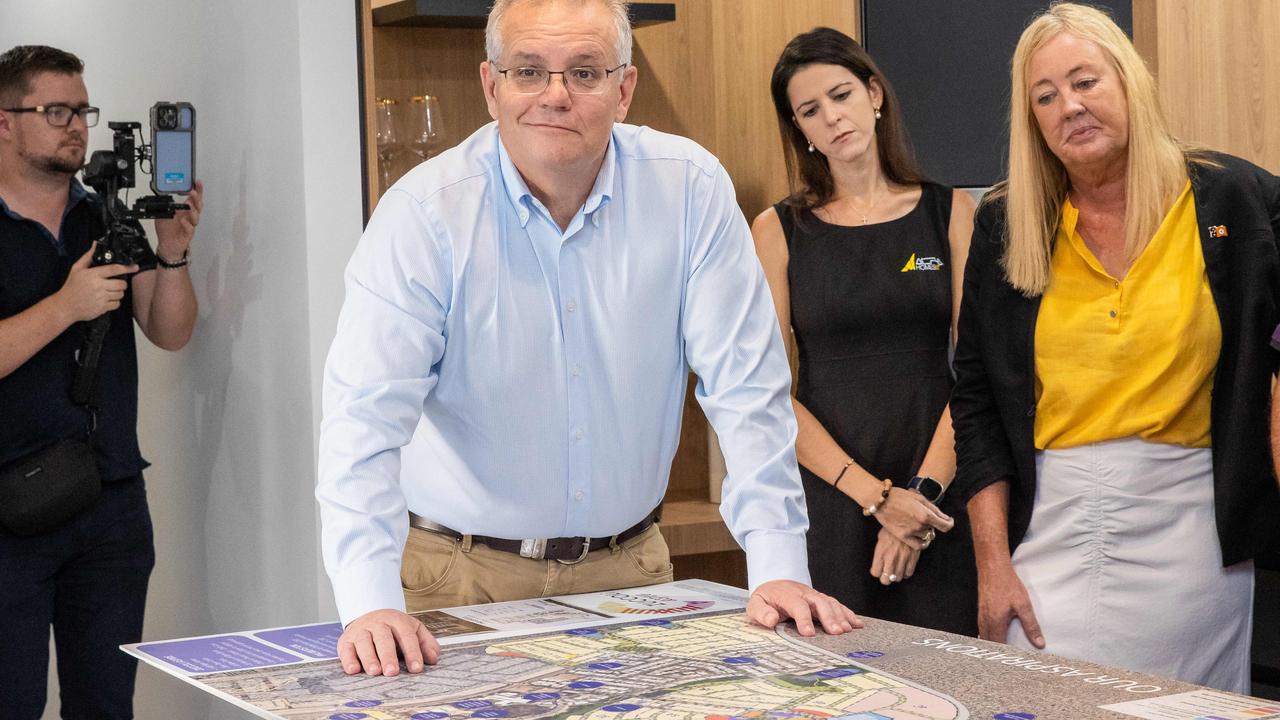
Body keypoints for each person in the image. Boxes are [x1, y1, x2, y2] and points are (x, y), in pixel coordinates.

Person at [317, 0, 860, 679]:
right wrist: (367, 603)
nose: (555, 96)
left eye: (584, 72)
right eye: (528, 72)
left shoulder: (689, 189)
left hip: (635, 572)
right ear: (492, 87)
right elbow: (362, 422)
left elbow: (747, 391)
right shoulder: (424, 215)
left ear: (624, 90)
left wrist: (776, 568)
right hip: (455, 576)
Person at [949, 3, 1280, 693]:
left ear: (1128, 81)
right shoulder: (1007, 224)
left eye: (1085, 81)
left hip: (1197, 537)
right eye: (1046, 96)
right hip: (1052, 525)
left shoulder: (1229, 197)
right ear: (1032, 121)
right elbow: (975, 401)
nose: (1069, 106)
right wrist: (991, 563)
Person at [751, 27, 977, 634]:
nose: (832, 117)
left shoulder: (950, 213)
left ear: (874, 94)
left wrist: (917, 501)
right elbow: (768, 393)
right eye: (810, 110)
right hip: (831, 496)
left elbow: (978, 373)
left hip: (940, 493)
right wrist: (878, 501)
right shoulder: (777, 231)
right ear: (799, 129)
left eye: (841, 94)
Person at [0, 45, 202, 719]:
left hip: (110, 503)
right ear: (4, 122)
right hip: (9, 508)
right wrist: (66, 304)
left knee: (107, 706)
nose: (75, 126)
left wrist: (173, 253)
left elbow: (168, 330)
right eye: (54, 110)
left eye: (80, 109)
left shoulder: (108, 217)